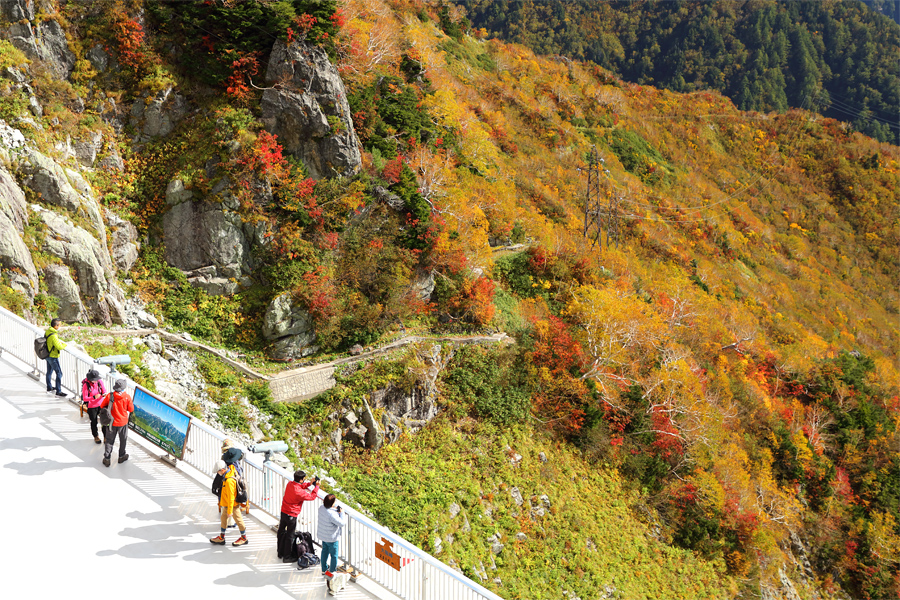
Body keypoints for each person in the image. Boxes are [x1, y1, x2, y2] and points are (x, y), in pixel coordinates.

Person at [277, 470, 320, 562]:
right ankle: (287, 557)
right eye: (304, 479)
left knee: (281, 531)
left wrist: (309, 484)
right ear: (301, 480)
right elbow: (312, 497)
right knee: (290, 535)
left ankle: (280, 551)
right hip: (291, 515)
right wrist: (317, 487)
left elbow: (299, 486)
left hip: (284, 511)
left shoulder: (290, 484)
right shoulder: (299, 492)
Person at [210, 459, 248, 547]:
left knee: (239, 521)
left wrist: (230, 511)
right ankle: (221, 537)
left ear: (222, 470)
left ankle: (244, 538)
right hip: (226, 504)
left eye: (218, 471)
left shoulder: (229, 481)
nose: (218, 473)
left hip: (232, 506)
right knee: (223, 520)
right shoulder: (230, 471)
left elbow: (231, 497)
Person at [100, 378, 134, 467]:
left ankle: (107, 458)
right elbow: (131, 409)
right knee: (123, 440)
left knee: (109, 441)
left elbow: (102, 405)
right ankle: (121, 456)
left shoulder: (110, 396)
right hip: (123, 422)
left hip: (111, 422)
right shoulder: (127, 397)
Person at [317, 494, 347, 591]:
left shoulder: (321, 508)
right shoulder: (332, 514)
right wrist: (341, 513)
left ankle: (324, 569)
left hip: (323, 536)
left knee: (324, 551)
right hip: (332, 538)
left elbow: (328, 512)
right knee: (334, 556)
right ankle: (332, 573)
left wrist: (334, 508)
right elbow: (341, 523)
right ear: (332, 504)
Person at [81, 369, 107, 444]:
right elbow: (85, 398)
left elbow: (104, 390)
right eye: (94, 380)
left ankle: (105, 436)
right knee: (94, 421)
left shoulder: (99, 381)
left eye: (96, 379)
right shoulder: (86, 385)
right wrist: (94, 397)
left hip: (101, 404)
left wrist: (104, 393)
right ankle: (96, 436)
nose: (95, 381)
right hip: (92, 406)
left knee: (104, 421)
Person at [44, 318, 67, 397]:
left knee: (49, 372)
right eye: (60, 325)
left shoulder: (48, 331)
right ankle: (58, 391)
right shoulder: (53, 335)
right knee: (59, 373)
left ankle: (49, 387)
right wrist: (65, 344)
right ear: (56, 326)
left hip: (47, 355)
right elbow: (59, 347)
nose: (60, 326)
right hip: (53, 356)